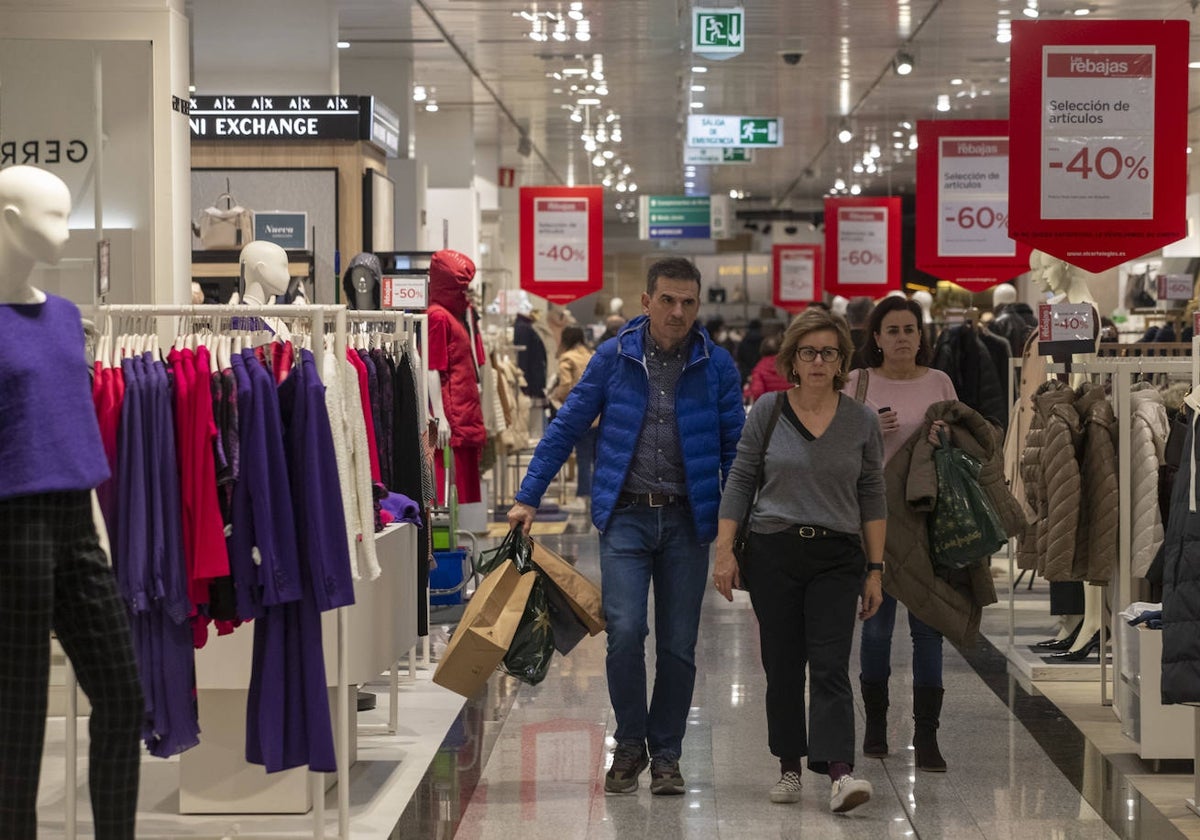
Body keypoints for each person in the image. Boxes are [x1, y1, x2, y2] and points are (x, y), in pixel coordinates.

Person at [508, 257, 744, 796]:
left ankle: (666, 753)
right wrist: (527, 496)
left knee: (680, 645)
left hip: (688, 521)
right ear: (646, 301)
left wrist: (736, 533)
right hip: (627, 519)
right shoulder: (614, 358)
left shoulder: (718, 365)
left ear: (698, 305)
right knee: (625, 635)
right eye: (667, 300)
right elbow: (567, 425)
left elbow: (737, 453)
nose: (677, 311)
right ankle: (631, 744)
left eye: (688, 302)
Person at [0, 165, 144, 838]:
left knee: (123, 696)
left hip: (75, 521)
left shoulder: (64, 318)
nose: (66, 231)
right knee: (19, 722)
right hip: (12, 527)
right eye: (51, 216)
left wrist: (99, 532)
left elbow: (72, 428)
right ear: (7, 217)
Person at [713, 308, 885, 812]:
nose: (817, 361)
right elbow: (741, 480)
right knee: (783, 665)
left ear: (841, 362)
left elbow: (872, 494)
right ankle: (789, 766)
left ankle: (839, 772)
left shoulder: (861, 420)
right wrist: (724, 551)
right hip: (774, 551)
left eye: (828, 353)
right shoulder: (768, 409)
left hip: (838, 555)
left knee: (831, 663)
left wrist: (875, 569)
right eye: (807, 352)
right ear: (792, 359)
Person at [842, 295, 958, 772]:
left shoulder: (940, 382)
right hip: (874, 519)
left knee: (929, 630)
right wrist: (869, 427)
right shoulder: (857, 383)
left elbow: (960, 442)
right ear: (876, 338)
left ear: (921, 335)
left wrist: (944, 439)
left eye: (910, 329)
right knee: (877, 626)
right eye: (892, 330)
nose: (902, 338)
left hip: (928, 518)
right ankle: (875, 726)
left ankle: (927, 736)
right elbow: (835, 447)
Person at [548, 325, 597, 514]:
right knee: (596, 458)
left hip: (580, 415)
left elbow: (566, 384)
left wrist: (557, 397)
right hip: (599, 414)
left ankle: (582, 497)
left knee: (583, 458)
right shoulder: (592, 355)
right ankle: (596, 496)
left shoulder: (567, 358)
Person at [745, 333, 790, 402]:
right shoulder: (789, 365)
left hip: (770, 407)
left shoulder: (759, 368)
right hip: (791, 406)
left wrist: (747, 390)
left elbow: (757, 392)